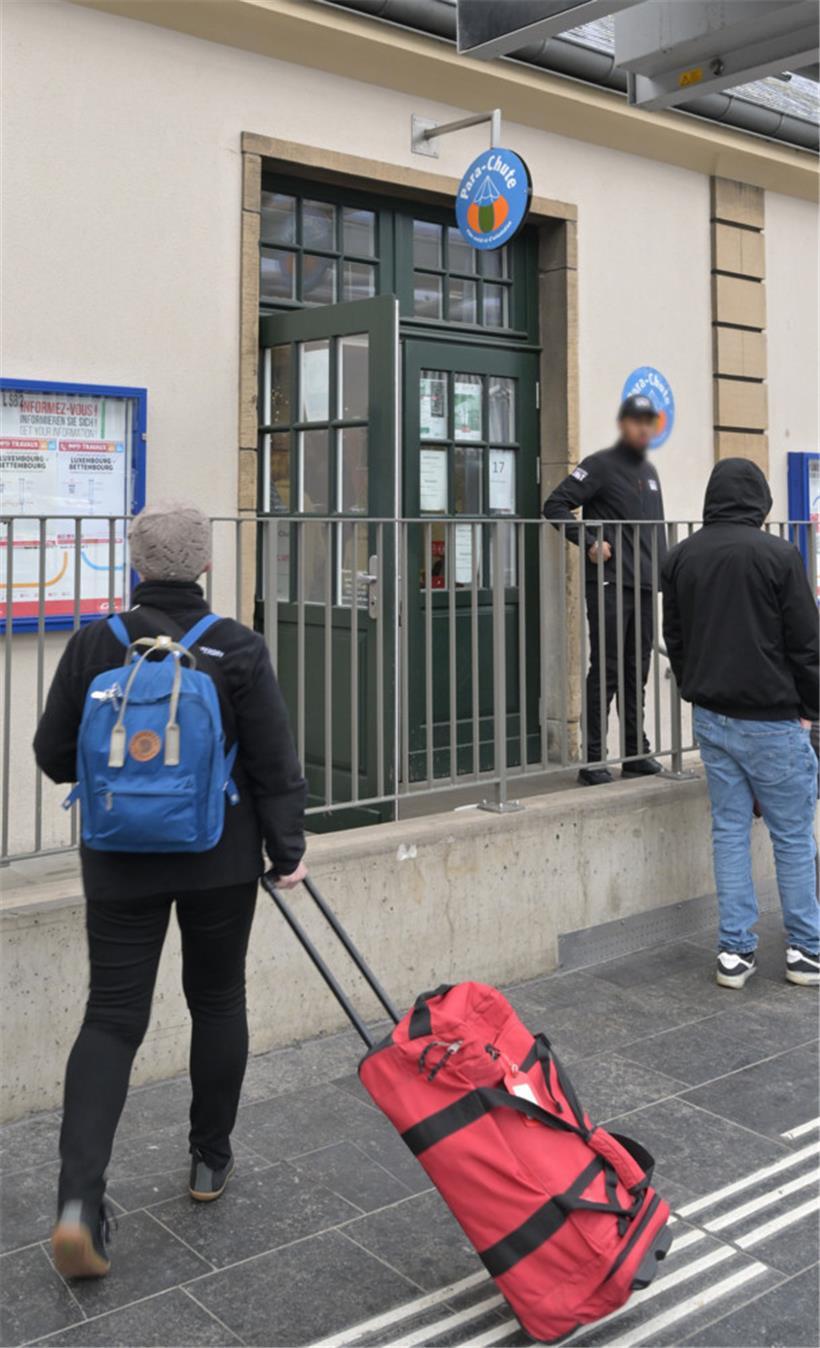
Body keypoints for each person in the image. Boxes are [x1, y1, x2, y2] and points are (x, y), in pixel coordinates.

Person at [33, 500, 307, 1277]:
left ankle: (79, 1203)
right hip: (219, 857)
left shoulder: (95, 643)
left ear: (135, 564)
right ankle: (207, 1162)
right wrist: (287, 850)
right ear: (206, 566)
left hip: (118, 859)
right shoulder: (236, 647)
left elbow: (55, 754)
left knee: (113, 1016)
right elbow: (273, 761)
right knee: (217, 1001)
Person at [662, 459, 819, 989]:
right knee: (793, 836)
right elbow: (806, 643)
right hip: (772, 718)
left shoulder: (682, 556)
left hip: (712, 716)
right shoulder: (779, 555)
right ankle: (804, 952)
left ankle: (734, 953)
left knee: (729, 831)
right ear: (759, 500)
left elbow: (675, 638)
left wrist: (694, 687)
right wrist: (812, 709)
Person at [543, 394, 667, 785]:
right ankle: (594, 759)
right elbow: (555, 505)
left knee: (637, 671)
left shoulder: (649, 471)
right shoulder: (599, 465)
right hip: (610, 585)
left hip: (645, 587)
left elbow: (655, 533)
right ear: (624, 423)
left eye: (648, 421)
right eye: (636, 420)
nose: (642, 428)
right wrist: (590, 542)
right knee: (608, 670)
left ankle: (635, 753)